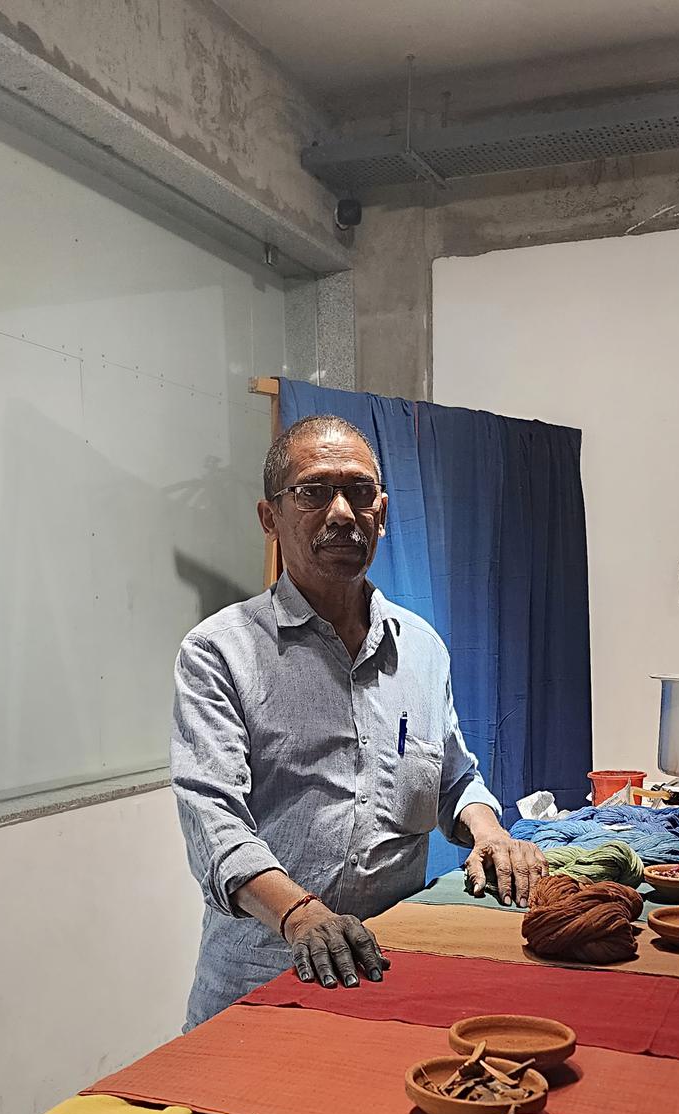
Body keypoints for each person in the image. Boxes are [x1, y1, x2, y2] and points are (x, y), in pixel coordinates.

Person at [171, 414, 547, 1028]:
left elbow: (454, 779)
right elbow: (214, 825)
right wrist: (300, 916)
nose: (342, 513)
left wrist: (491, 835)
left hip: (393, 973)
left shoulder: (420, 648)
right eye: (314, 492)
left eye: (360, 492)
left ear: (383, 508)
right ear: (271, 518)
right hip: (260, 982)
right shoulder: (220, 652)